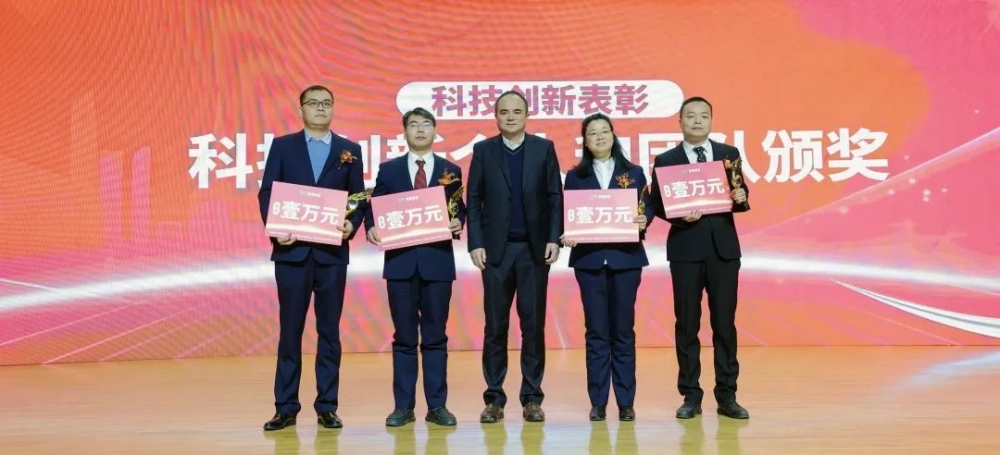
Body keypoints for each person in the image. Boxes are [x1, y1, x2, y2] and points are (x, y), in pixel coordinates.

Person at [257, 85, 366, 430]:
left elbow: (358, 198)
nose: (320, 108)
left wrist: (352, 223)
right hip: (292, 252)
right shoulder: (283, 146)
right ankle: (286, 407)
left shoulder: (350, 150)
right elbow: (268, 192)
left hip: (332, 253)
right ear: (300, 109)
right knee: (290, 330)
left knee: (329, 331)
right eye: (313, 103)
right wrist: (276, 229)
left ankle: (327, 406)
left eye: (326, 103)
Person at [650, 96, 751, 420]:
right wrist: (681, 218)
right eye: (690, 116)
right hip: (686, 251)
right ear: (680, 121)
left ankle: (727, 395)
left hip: (724, 251)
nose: (697, 121)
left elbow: (739, 194)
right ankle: (691, 396)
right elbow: (657, 204)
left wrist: (741, 197)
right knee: (687, 325)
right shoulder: (666, 159)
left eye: (703, 116)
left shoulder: (728, 154)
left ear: (711, 120)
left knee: (724, 325)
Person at [364, 107, 465, 427]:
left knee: (436, 337)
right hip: (400, 264)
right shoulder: (389, 169)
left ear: (435, 131)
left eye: (426, 124)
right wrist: (370, 226)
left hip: (437, 263)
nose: (420, 129)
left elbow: (459, 208)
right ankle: (403, 407)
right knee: (404, 337)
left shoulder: (450, 170)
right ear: (404, 131)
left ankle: (437, 406)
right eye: (413, 125)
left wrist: (458, 221)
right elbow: (374, 206)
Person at [466, 90, 563, 423]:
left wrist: (554, 238)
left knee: (532, 326)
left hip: (534, 251)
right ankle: (494, 398)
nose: (510, 117)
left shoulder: (543, 148)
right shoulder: (483, 151)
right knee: (495, 326)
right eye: (504, 112)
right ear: (496, 116)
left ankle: (532, 398)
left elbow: (555, 196)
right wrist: (475, 243)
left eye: (517, 111)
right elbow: (473, 199)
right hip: (496, 252)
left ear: (527, 115)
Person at [561, 113, 653, 422]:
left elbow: (647, 206)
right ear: (585, 141)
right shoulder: (575, 176)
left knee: (623, 331)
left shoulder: (634, 172)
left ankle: (626, 402)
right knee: (596, 332)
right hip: (589, 261)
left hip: (626, 259)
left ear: (613, 136)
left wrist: (644, 218)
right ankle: (598, 401)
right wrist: (567, 233)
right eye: (593, 133)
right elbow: (567, 213)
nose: (599, 137)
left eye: (604, 131)